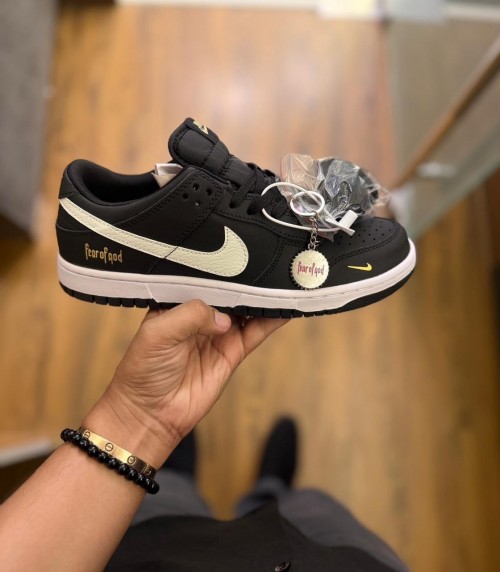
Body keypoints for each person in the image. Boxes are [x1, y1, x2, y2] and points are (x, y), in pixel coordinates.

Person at [0, 300, 408, 571]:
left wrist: (141, 421)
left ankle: (175, 471)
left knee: (166, 492)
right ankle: (270, 490)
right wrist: (146, 420)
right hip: (345, 563)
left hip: (154, 549)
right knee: (311, 504)